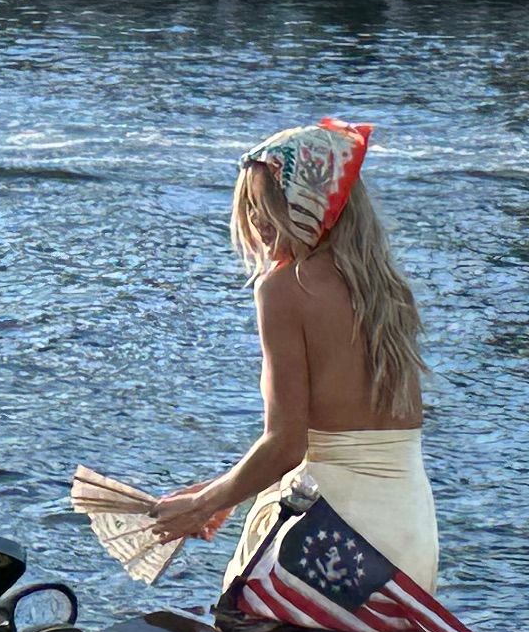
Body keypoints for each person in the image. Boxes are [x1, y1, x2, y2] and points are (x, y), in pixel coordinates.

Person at [146, 118, 437, 588]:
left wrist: (201, 506)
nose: (256, 222)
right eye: (249, 207)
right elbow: (345, 438)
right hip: (408, 534)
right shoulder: (387, 290)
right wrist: (224, 494)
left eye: (265, 205)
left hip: (332, 537)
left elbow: (286, 444)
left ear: (308, 201)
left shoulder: (284, 288)